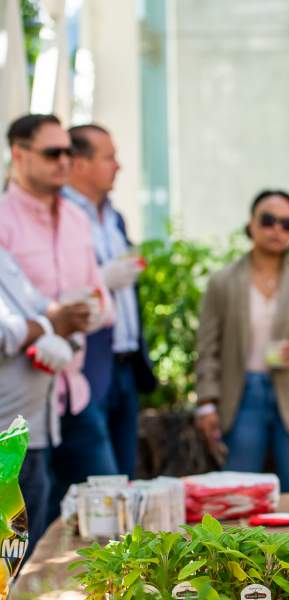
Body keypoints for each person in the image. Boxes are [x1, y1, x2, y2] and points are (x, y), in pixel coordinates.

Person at [0, 114, 117, 523]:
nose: (65, 160)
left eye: (69, 150)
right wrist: (51, 323)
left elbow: (101, 297)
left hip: (75, 390)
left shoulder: (76, 218)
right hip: (19, 405)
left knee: (106, 516)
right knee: (25, 530)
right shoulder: (2, 218)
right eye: (53, 152)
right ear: (19, 154)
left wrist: (89, 311)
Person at [195, 190, 289, 491]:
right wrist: (206, 403)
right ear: (252, 224)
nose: (277, 230)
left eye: (287, 224)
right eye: (269, 220)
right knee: (237, 495)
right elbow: (207, 349)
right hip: (242, 395)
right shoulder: (223, 282)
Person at [63, 124, 156, 480]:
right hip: (87, 362)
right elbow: (60, 287)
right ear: (81, 164)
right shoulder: (64, 216)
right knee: (96, 481)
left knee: (124, 476)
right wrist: (104, 277)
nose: (118, 166)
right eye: (109, 157)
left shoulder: (113, 217)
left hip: (125, 363)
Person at [0, 247, 90, 553]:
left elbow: (39, 306)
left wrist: (67, 332)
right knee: (7, 559)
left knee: (27, 556)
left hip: (33, 431)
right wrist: (52, 325)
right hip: (4, 440)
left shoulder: (3, 255)